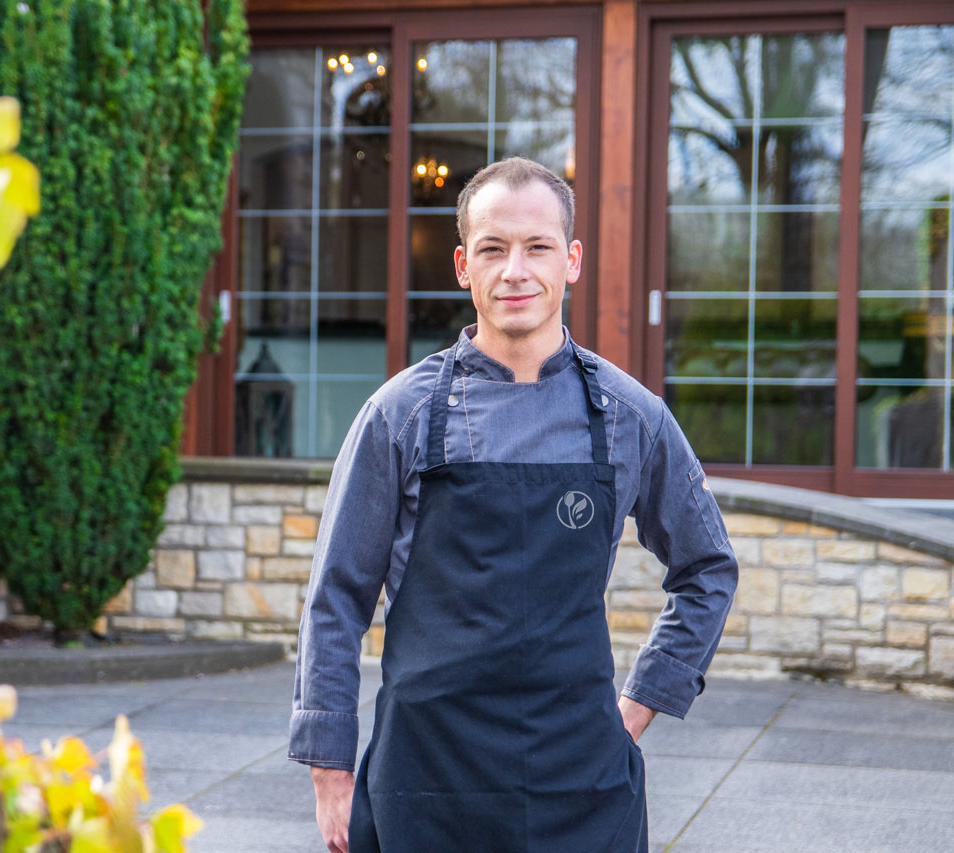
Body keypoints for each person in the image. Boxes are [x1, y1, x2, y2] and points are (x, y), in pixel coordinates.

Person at [288, 157, 738, 853]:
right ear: (465, 265)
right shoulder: (399, 415)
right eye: (494, 249)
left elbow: (707, 568)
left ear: (573, 260)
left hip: (580, 780)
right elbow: (337, 597)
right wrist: (330, 765)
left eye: (538, 247)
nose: (515, 270)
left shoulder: (629, 416)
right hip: (424, 775)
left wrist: (639, 704)